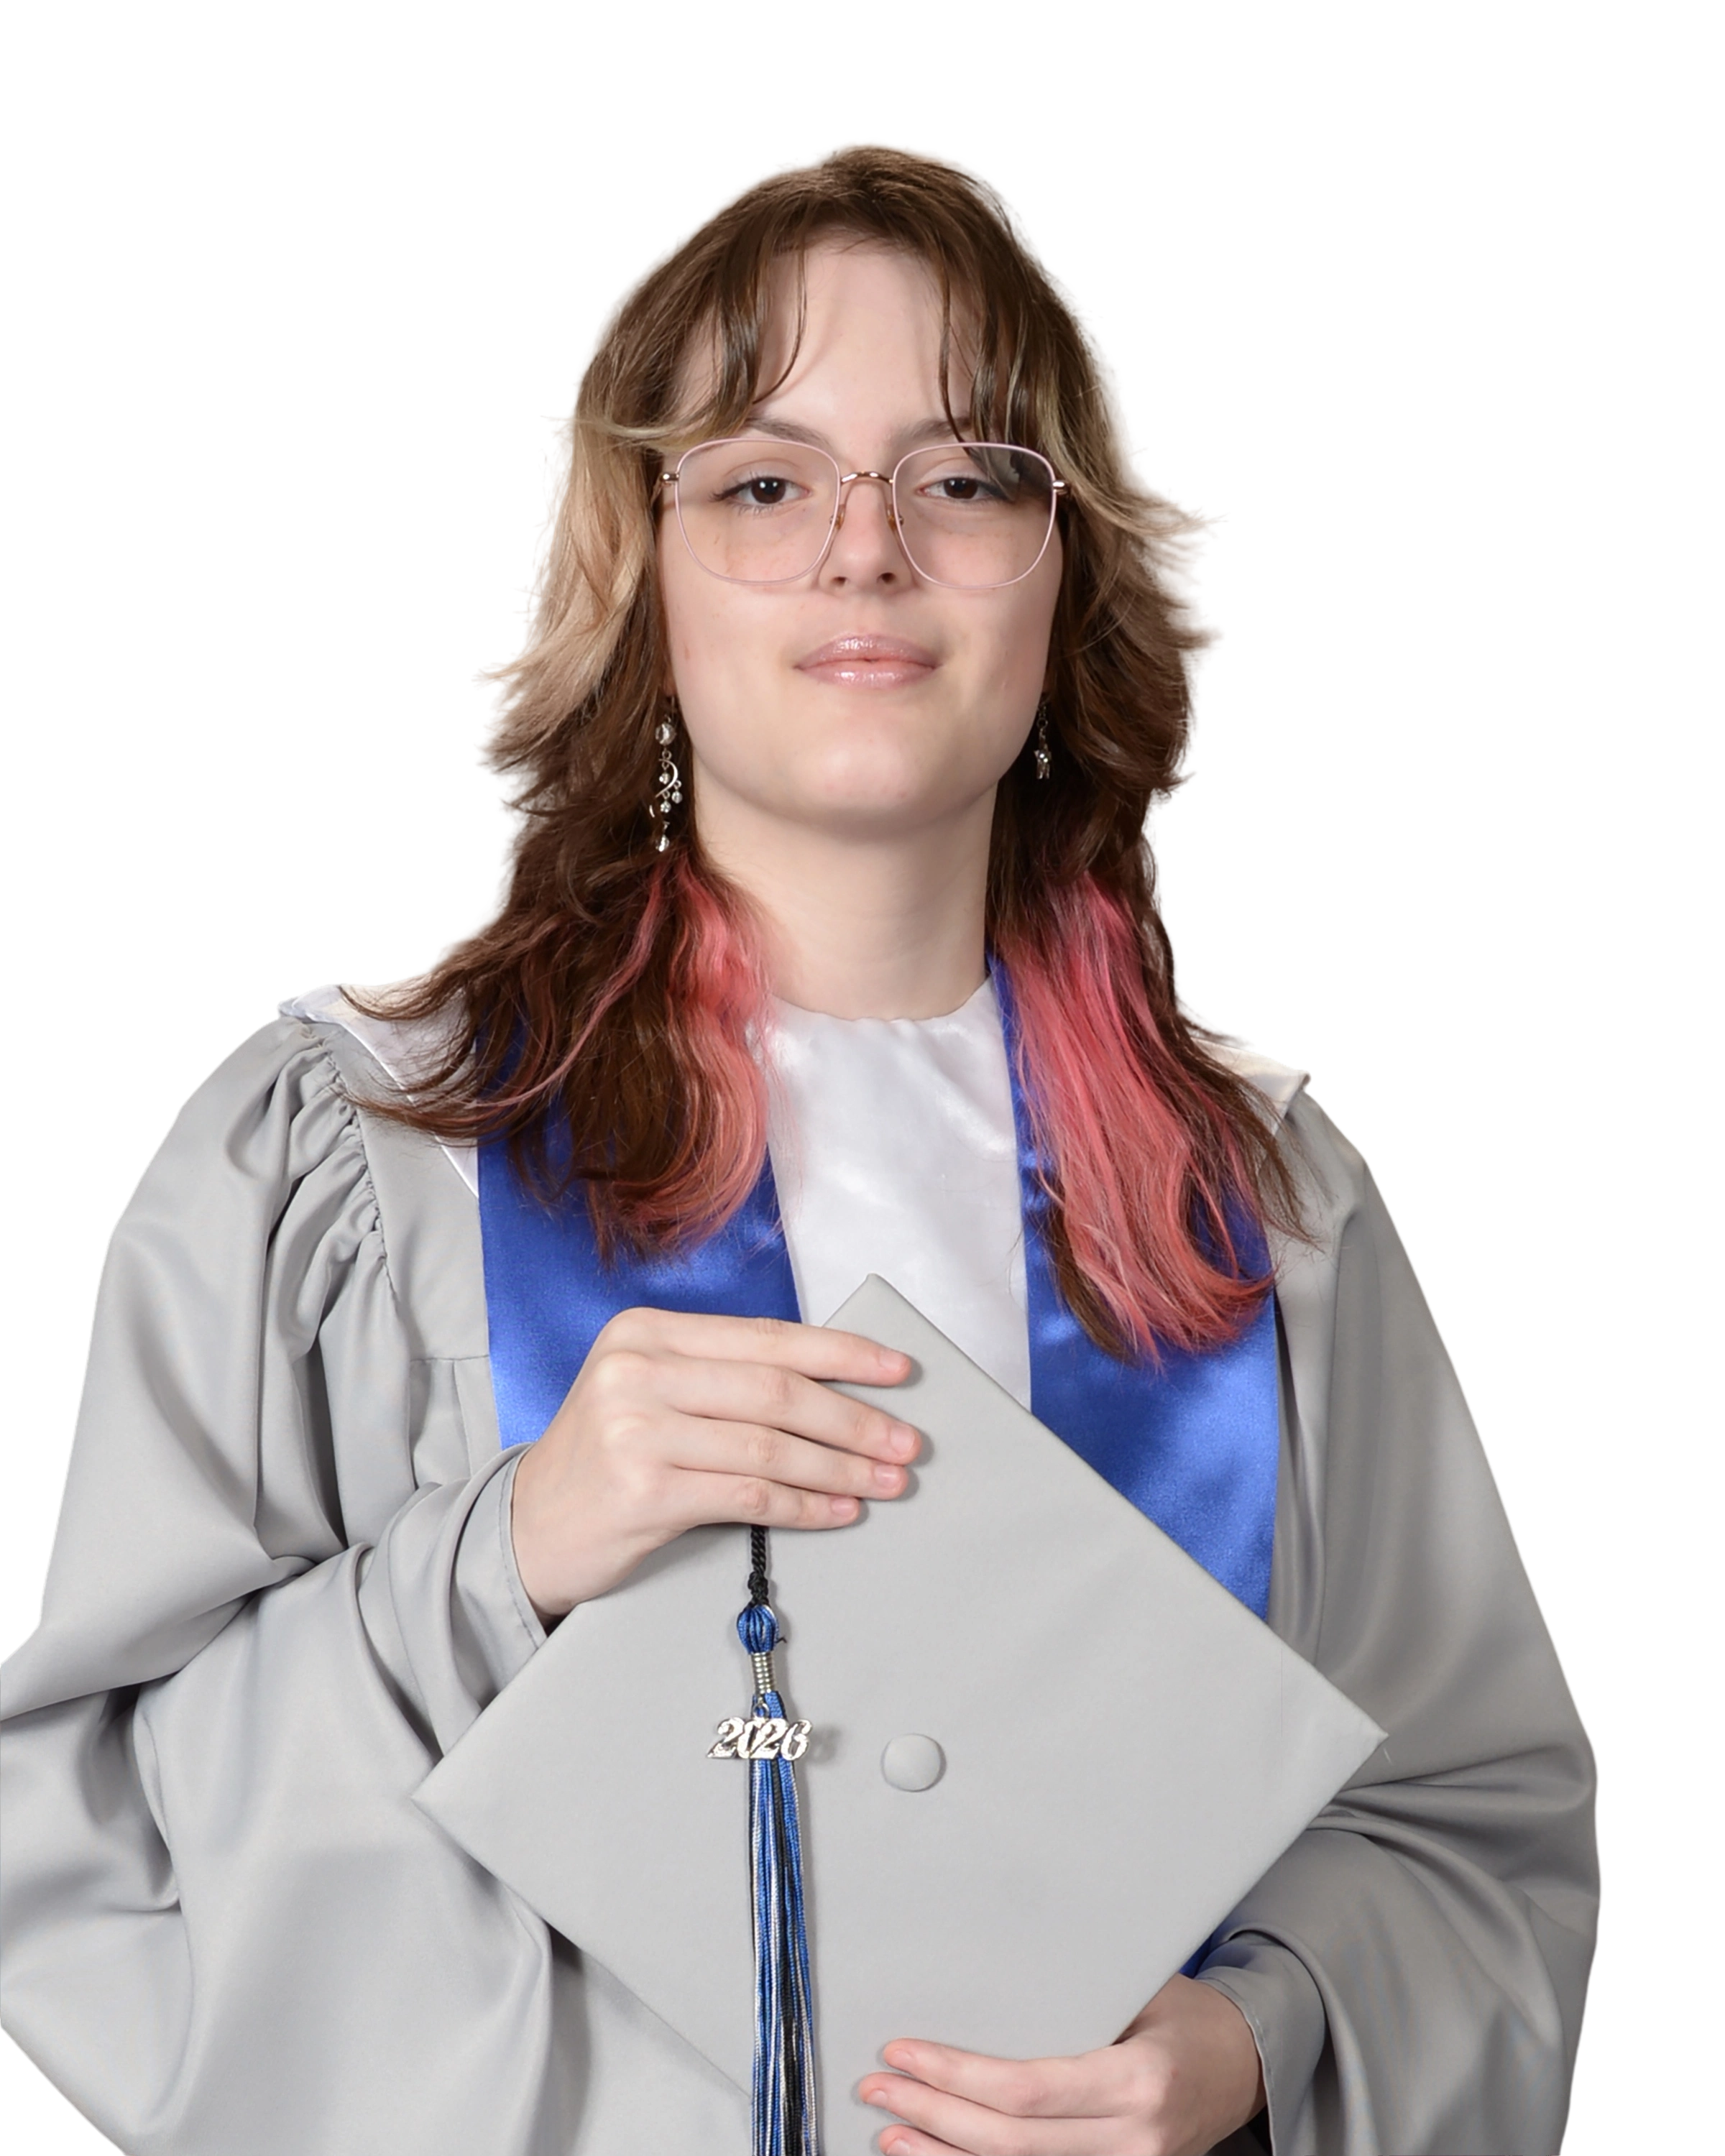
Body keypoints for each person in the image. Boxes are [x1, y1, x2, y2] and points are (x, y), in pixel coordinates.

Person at [0, 138, 1600, 2156]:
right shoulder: (363, 1144)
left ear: (1068, 573)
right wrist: (509, 1554)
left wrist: (1251, 2041)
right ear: (643, 577)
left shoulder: (1260, 1203)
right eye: (765, 484)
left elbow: (1469, 1845)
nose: (867, 554)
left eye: (966, 479)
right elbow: (89, 1836)